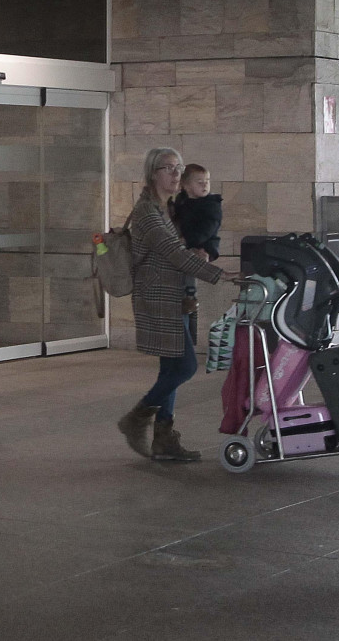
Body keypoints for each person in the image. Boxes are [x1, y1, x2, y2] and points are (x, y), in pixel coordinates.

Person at [117, 147, 225, 462]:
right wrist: (221, 275)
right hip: (158, 299)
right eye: (168, 168)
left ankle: (164, 439)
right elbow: (174, 254)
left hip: (177, 297)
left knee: (172, 367)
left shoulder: (170, 208)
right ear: (152, 173)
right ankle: (136, 418)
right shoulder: (147, 212)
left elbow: (195, 241)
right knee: (187, 365)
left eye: (178, 168)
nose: (176, 174)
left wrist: (209, 253)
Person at [170, 163, 222, 344]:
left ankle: (189, 339)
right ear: (185, 185)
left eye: (207, 181)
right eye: (199, 182)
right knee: (183, 291)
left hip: (203, 246)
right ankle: (184, 337)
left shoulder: (211, 205)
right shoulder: (181, 201)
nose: (205, 185)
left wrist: (188, 241)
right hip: (184, 249)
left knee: (189, 293)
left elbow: (208, 229)